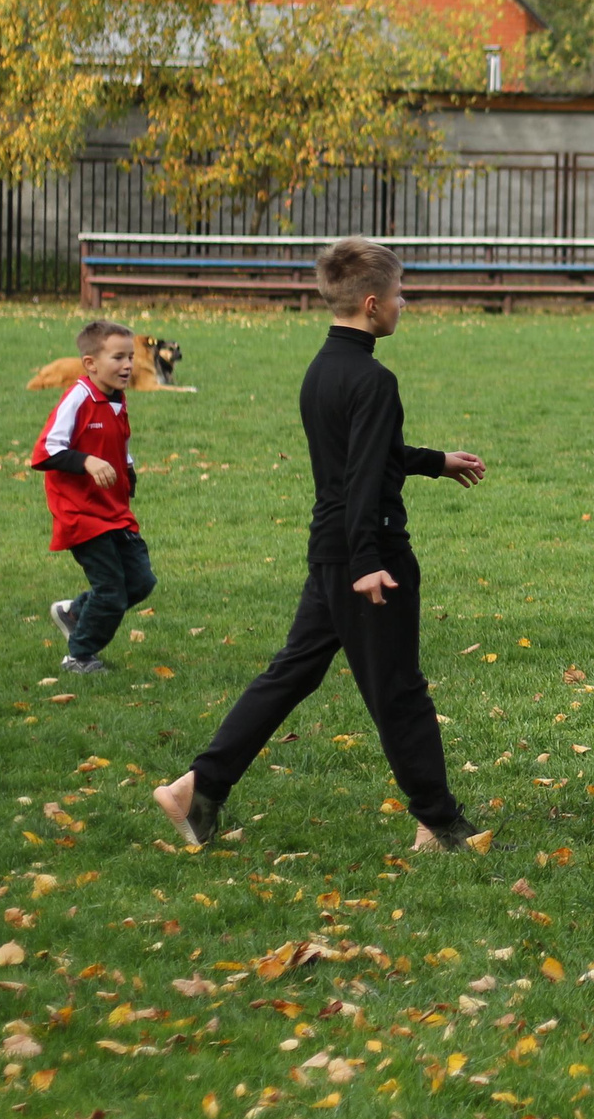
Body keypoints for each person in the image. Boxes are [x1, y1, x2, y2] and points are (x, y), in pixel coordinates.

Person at [153, 238, 488, 852]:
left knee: (292, 674)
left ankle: (197, 789)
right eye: (397, 294)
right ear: (370, 303)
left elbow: (364, 455)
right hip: (368, 556)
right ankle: (439, 824)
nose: (403, 303)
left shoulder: (324, 370)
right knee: (400, 691)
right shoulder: (375, 380)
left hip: (328, 548)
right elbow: (361, 479)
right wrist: (368, 563)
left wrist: (435, 461)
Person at [34, 320, 153, 675]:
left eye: (130, 356)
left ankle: (74, 613)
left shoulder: (117, 398)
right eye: (118, 357)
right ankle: (79, 655)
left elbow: (120, 443)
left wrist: (128, 471)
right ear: (90, 364)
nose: (128, 365)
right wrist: (86, 460)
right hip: (81, 514)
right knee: (112, 592)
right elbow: (45, 451)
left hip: (113, 511)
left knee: (141, 581)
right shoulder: (78, 397)